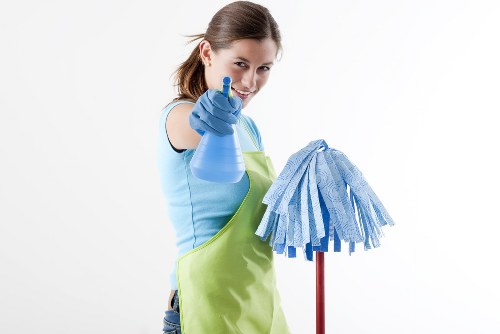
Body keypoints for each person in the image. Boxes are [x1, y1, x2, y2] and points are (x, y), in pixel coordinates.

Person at [157, 1, 290, 333]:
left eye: (264, 68)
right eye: (240, 63)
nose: (250, 81)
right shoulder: (178, 117)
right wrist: (207, 119)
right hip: (204, 302)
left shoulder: (249, 129)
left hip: (257, 299)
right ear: (207, 53)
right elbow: (192, 125)